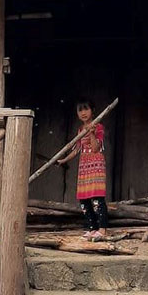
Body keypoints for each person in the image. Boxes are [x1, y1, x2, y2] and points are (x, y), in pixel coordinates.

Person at [56, 98, 109, 240]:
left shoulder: (98, 127)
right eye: (80, 110)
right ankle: (92, 228)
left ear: (92, 111)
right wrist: (63, 160)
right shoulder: (80, 130)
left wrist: (91, 132)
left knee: (97, 197)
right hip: (83, 165)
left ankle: (102, 229)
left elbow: (96, 148)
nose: (83, 113)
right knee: (84, 198)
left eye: (86, 109)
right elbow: (77, 149)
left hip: (96, 164)